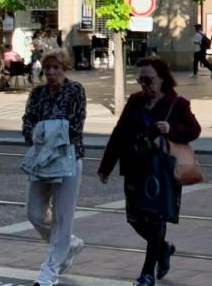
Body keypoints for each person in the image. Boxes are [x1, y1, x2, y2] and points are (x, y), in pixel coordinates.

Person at [98, 57, 201, 286]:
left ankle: (147, 274)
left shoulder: (177, 103)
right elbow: (119, 133)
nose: (144, 85)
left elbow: (194, 130)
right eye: (140, 80)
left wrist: (171, 129)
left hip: (161, 172)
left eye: (148, 80)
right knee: (134, 218)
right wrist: (106, 165)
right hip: (135, 168)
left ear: (161, 78)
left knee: (157, 220)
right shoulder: (136, 100)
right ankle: (162, 248)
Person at [22, 51, 87, 286]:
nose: (50, 72)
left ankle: (48, 273)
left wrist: (41, 130)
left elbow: (73, 128)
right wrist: (45, 130)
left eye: (56, 67)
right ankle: (69, 244)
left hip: (67, 158)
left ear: (64, 69)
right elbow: (28, 123)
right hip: (42, 159)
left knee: (62, 218)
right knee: (35, 213)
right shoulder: (37, 93)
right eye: (47, 67)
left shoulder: (75, 90)